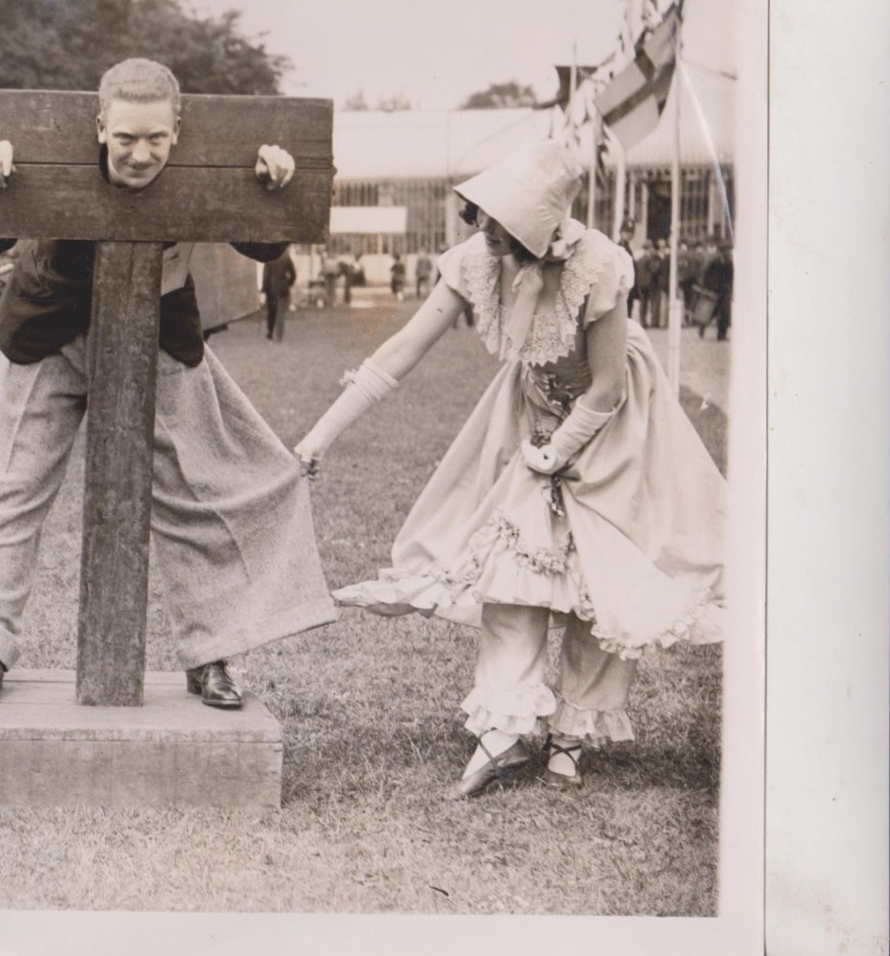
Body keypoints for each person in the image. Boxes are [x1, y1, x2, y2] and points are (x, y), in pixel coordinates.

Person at [0, 58, 339, 713]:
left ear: (179, 131)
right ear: (97, 128)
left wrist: (272, 182)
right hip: (47, 327)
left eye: (155, 138)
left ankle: (214, 655)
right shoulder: (60, 159)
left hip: (156, 326)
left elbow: (262, 249)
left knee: (212, 490)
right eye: (124, 139)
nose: (140, 154)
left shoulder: (191, 165)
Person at [294, 138, 724, 799]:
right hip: (535, 409)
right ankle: (504, 727)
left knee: (600, 574)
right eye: (482, 214)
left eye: (502, 219)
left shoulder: (598, 266)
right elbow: (402, 350)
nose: (485, 229)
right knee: (516, 562)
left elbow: (607, 388)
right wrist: (320, 436)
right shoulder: (475, 262)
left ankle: (573, 733)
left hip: (616, 423)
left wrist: (555, 454)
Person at [700, 241, 733, 341]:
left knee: (725, 313)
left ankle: (721, 334)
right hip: (714, 290)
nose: (728, 252)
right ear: (721, 251)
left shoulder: (729, 262)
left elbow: (731, 277)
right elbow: (706, 275)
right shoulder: (714, 262)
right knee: (712, 312)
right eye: (726, 250)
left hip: (725, 291)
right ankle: (702, 326)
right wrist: (707, 287)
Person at [261, 249, 296, 341]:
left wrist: (264, 288)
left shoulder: (269, 256)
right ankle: (279, 335)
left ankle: (270, 331)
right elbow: (293, 273)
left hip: (271, 288)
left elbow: (266, 273)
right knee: (280, 312)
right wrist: (289, 283)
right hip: (283, 288)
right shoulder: (285, 256)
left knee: (271, 311)